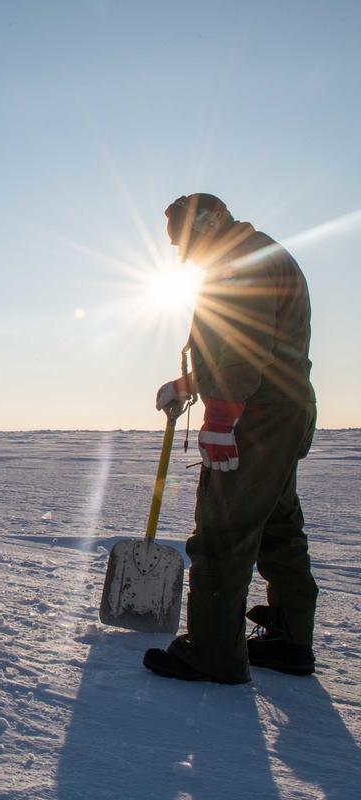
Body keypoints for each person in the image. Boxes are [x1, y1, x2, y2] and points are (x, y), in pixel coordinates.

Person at [144, 193, 318, 683]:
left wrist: (220, 417)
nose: (183, 255)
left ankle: (214, 653)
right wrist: (187, 385)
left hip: (257, 417)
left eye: (184, 242)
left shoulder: (239, 263)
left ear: (205, 225)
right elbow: (254, 350)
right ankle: (290, 640)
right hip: (282, 410)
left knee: (223, 532)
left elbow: (241, 349)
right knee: (277, 526)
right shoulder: (256, 254)